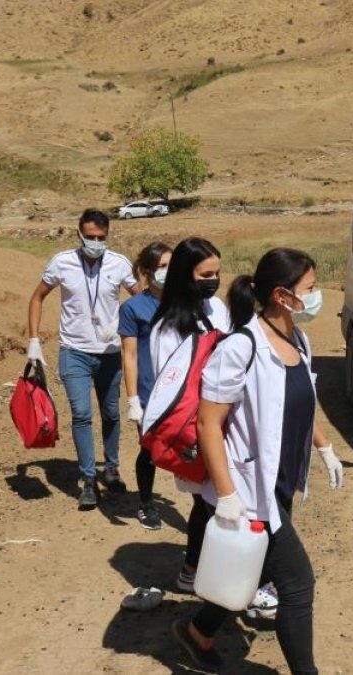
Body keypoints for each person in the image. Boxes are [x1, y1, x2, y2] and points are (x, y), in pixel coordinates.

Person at [171, 248, 344, 674]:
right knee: (297, 586)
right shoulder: (240, 347)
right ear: (282, 296)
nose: (317, 295)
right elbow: (208, 423)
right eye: (310, 288)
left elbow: (299, 403)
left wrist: (324, 447)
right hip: (247, 491)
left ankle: (197, 633)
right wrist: (227, 495)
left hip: (278, 483)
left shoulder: (298, 341)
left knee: (246, 569)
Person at [27, 209, 138, 510]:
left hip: (110, 353)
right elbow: (37, 297)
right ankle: (88, 480)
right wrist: (34, 340)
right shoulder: (62, 262)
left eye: (102, 237)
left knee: (111, 413)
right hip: (74, 350)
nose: (96, 243)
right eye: (90, 237)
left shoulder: (119, 263)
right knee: (81, 414)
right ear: (79, 234)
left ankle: (111, 468)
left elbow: (139, 297)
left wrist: (125, 323)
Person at [148, 238, 232, 592]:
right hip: (199, 429)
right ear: (185, 276)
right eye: (205, 275)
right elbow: (174, 392)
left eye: (217, 273)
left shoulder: (217, 309)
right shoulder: (167, 329)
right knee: (208, 502)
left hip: (227, 422)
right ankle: (198, 571)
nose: (213, 281)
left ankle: (197, 569)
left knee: (211, 501)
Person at [118, 241, 172, 530]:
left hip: (183, 391)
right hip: (151, 392)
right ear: (148, 271)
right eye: (163, 266)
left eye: (172, 266)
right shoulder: (133, 308)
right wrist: (133, 400)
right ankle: (146, 502)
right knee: (151, 450)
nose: (169, 271)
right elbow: (129, 355)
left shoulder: (185, 303)